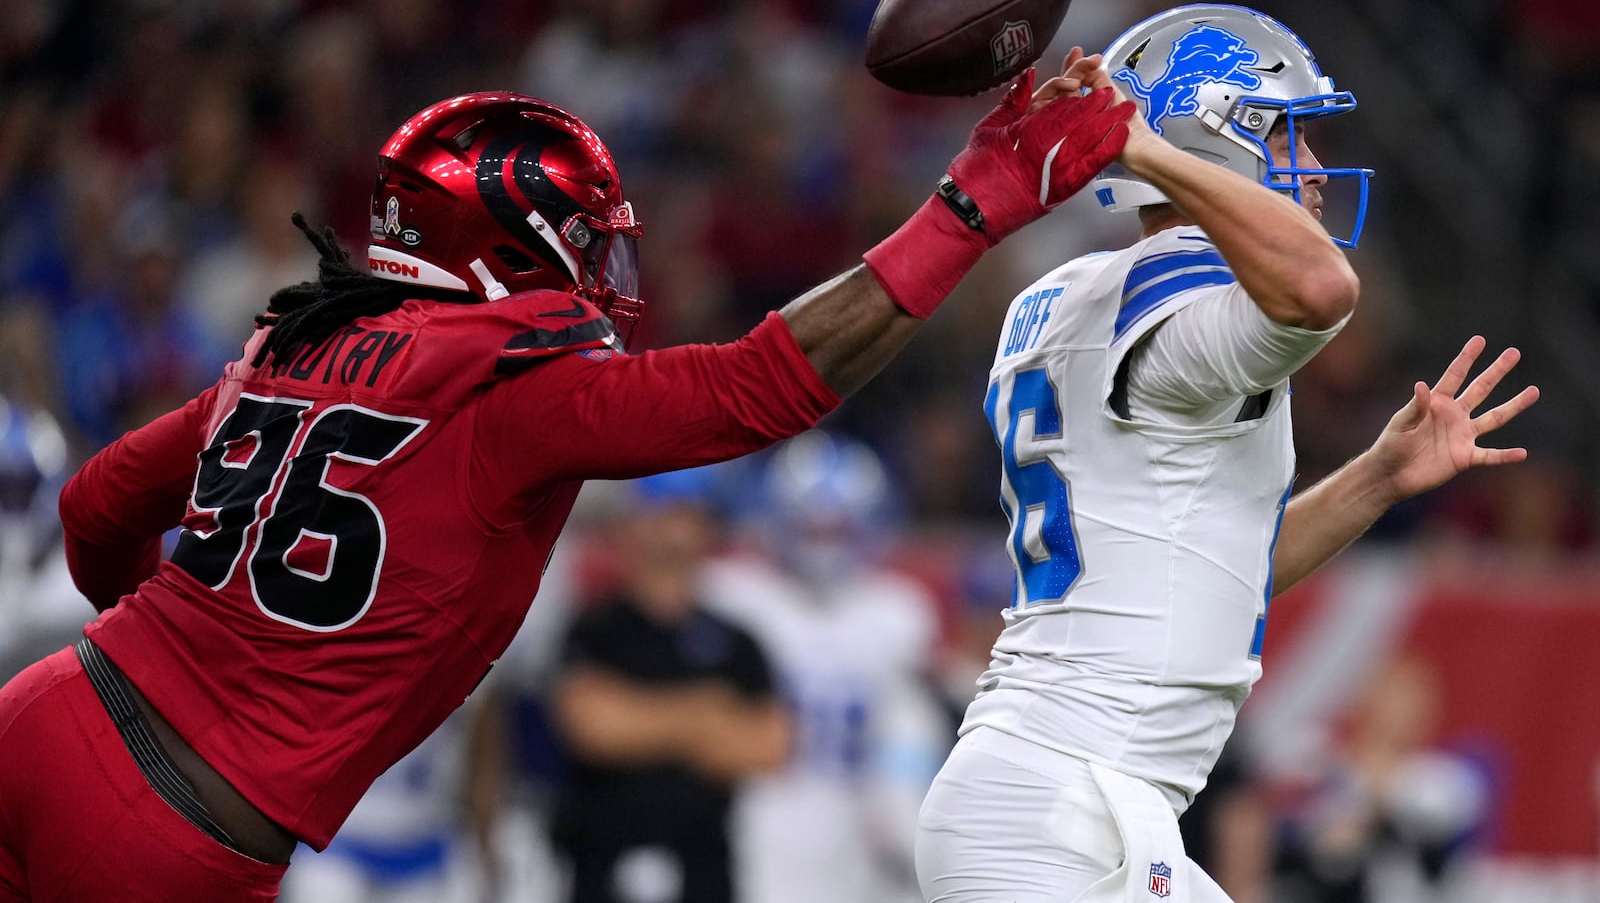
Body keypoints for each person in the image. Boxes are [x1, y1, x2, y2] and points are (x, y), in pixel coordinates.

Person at [0, 74, 1133, 901]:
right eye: (581, 241)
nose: (601, 269)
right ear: (508, 248)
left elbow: (95, 506)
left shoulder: (285, 344)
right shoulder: (512, 393)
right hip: (177, 829)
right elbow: (765, 386)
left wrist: (176, 650)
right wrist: (973, 200)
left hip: (44, 713)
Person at [913, 4, 1540, 903]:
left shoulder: (1058, 293)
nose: (1315, 169)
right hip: (1065, 806)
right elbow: (1322, 287)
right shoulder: (1188, 286)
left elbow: (1212, 564)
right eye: (1288, 133)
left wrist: (1379, 477)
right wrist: (1143, 148)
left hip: (1063, 797)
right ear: (1207, 137)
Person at [703, 431, 946, 903]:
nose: (823, 545)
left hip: (861, 828)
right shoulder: (734, 597)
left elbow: (913, 733)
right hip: (756, 822)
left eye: (836, 530)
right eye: (811, 528)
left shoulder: (897, 612)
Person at [548, 468, 789, 903]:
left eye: (685, 515)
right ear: (631, 524)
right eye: (659, 513)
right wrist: (705, 712)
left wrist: (637, 717)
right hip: (602, 868)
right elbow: (592, 728)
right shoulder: (594, 629)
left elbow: (768, 746)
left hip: (704, 870)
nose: (671, 530)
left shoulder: (737, 642)